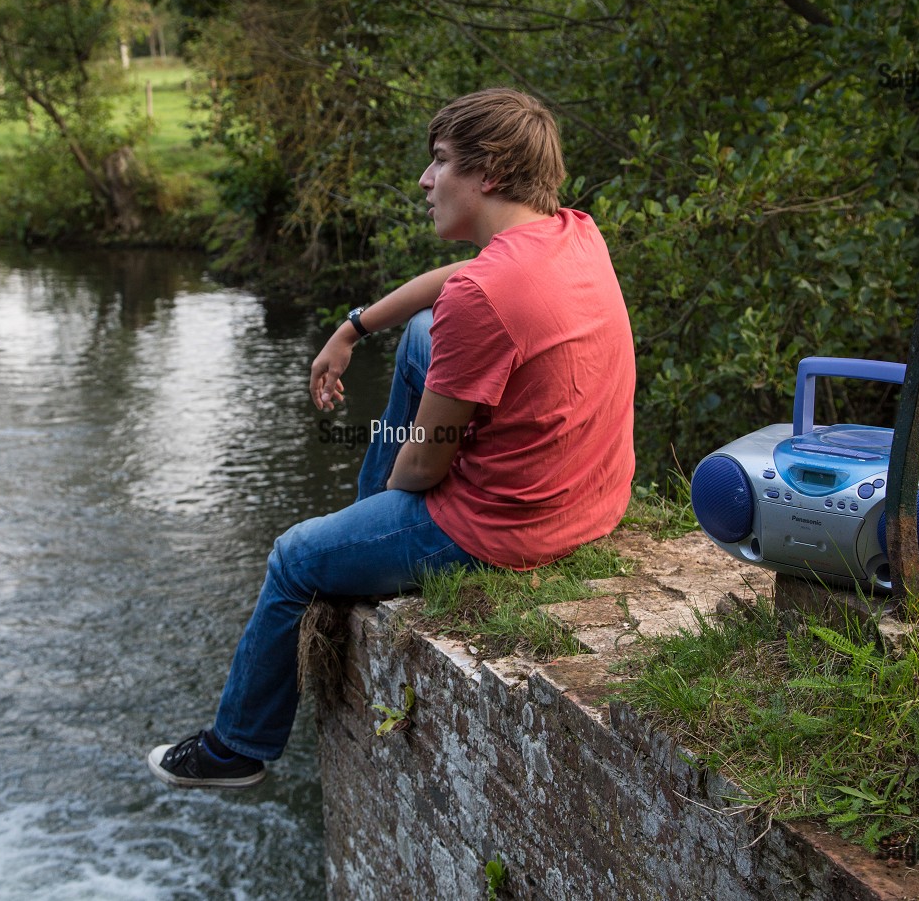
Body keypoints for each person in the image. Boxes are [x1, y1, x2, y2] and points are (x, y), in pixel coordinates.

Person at [148, 88, 636, 789]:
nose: (425, 180)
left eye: (440, 161)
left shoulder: (483, 298)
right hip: (591, 498)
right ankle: (365, 528)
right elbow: (460, 283)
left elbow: (421, 469)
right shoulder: (573, 233)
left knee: (293, 558)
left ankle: (237, 749)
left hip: (509, 528)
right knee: (418, 335)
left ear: (491, 172)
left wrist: (396, 482)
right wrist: (354, 327)